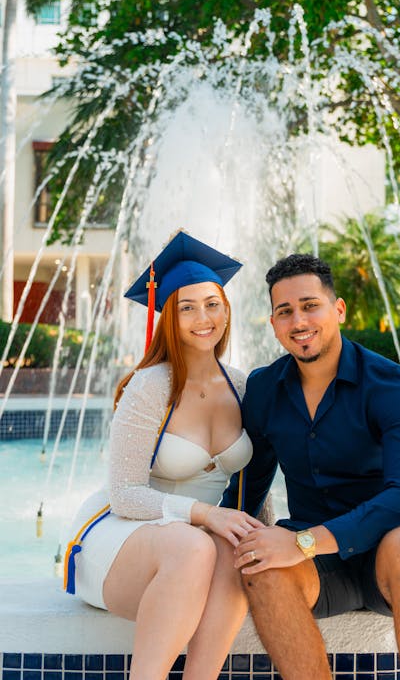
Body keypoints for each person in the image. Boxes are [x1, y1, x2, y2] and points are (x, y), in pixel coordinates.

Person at [222, 253, 400, 680]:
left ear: (338, 310)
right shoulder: (263, 389)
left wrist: (306, 542)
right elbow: (246, 487)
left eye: (310, 305)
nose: (299, 321)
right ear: (273, 324)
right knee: (262, 569)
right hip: (322, 569)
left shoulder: (391, 383)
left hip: (395, 551)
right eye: (285, 311)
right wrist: (201, 530)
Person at [65, 231, 263, 680]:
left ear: (227, 309)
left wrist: (258, 532)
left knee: (238, 550)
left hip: (195, 552)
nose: (202, 317)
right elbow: (125, 495)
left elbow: (254, 483)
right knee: (194, 544)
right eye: (186, 307)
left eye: (212, 303)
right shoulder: (151, 386)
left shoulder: (245, 386)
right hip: (128, 536)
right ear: (168, 318)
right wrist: (204, 515)